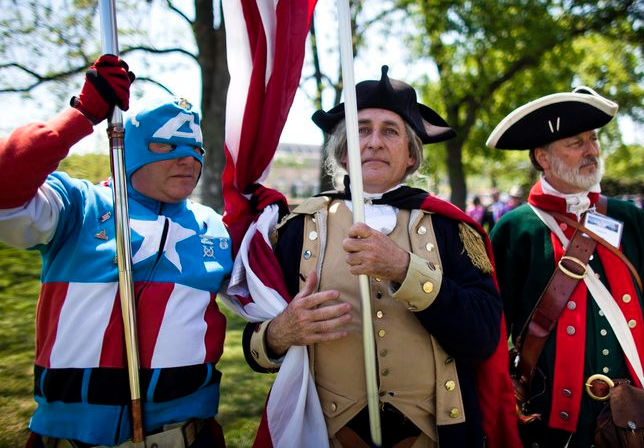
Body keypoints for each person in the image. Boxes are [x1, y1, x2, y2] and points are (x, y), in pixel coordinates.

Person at [240, 66, 520, 447]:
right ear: (342, 153)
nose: (373, 142)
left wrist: (404, 270)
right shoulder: (297, 229)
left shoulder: (450, 228)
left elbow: (484, 337)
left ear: (411, 156)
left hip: (434, 436)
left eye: (390, 130)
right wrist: (279, 333)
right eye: (361, 130)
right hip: (329, 434)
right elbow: (256, 349)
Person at [0, 56, 232, 447]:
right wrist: (83, 114)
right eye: (165, 145)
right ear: (132, 150)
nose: (186, 158)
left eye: (195, 148)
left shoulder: (216, 227)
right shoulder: (77, 205)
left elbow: (262, 297)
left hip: (190, 437)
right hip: (72, 437)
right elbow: (6, 184)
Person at [486, 86, 644, 447]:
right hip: (548, 410)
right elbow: (494, 323)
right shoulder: (515, 229)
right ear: (542, 156)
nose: (591, 150)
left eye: (593, 139)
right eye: (576, 142)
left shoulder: (631, 218)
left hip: (635, 406)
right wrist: (499, 392)